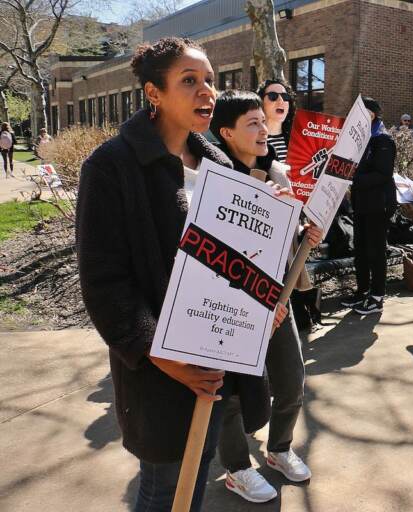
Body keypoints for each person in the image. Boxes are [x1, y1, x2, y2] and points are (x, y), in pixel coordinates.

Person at [76, 37, 287, 511]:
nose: (206, 92)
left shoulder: (215, 160)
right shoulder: (111, 167)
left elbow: (237, 252)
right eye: (189, 81)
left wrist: (266, 298)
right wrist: (156, 354)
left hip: (218, 360)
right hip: (161, 373)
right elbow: (104, 281)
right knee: (166, 488)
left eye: (210, 80)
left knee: (198, 475)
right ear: (154, 93)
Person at [209, 89, 322, 502]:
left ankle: (279, 449)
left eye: (263, 120)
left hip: (278, 301)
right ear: (226, 132)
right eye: (252, 123)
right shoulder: (211, 179)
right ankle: (237, 468)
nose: (263, 129)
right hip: (231, 305)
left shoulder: (278, 173)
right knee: (233, 396)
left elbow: (288, 234)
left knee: (291, 380)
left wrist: (304, 232)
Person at [257, 78, 322, 327]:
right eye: (272, 96)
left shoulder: (296, 140)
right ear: (261, 102)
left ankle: (300, 311)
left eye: (284, 97)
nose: (280, 101)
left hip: (298, 219)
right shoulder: (256, 141)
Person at [341, 96, 397, 315]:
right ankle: (363, 291)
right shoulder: (359, 139)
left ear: (371, 115)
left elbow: (383, 174)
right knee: (361, 250)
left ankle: (377, 296)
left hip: (378, 205)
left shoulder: (382, 139)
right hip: (362, 204)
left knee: (376, 250)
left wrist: (352, 179)